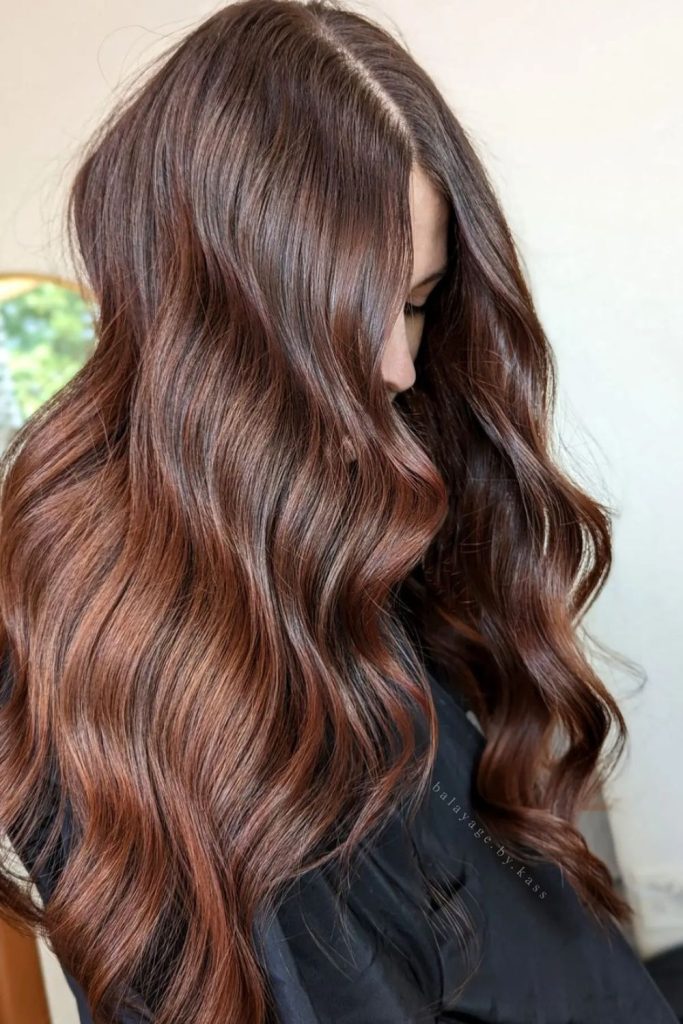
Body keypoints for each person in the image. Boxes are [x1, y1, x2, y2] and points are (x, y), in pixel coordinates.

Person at [0, 2, 677, 1022]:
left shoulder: (347, 504)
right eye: (353, 312)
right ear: (213, 308)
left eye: (416, 301)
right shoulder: (127, 658)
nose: (399, 365)